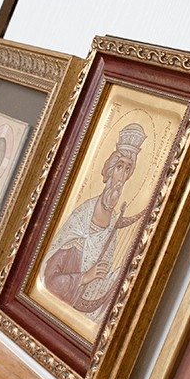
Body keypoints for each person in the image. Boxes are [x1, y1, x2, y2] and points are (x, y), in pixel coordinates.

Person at [38, 123, 147, 322]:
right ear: (109, 171)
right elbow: (49, 281)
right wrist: (84, 278)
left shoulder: (113, 220)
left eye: (128, 169)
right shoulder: (82, 219)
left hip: (88, 308)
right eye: (119, 167)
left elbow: (101, 278)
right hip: (62, 306)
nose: (122, 177)